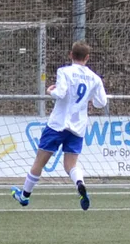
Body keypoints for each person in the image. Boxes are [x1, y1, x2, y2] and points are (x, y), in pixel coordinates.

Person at [11, 41, 107, 211]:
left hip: (58, 124)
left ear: (71, 55)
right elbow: (101, 103)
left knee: (40, 161)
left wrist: (50, 91)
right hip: (78, 127)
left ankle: (24, 196)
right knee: (71, 165)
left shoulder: (64, 71)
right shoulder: (95, 78)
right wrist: (89, 97)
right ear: (87, 57)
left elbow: (60, 93)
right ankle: (80, 183)